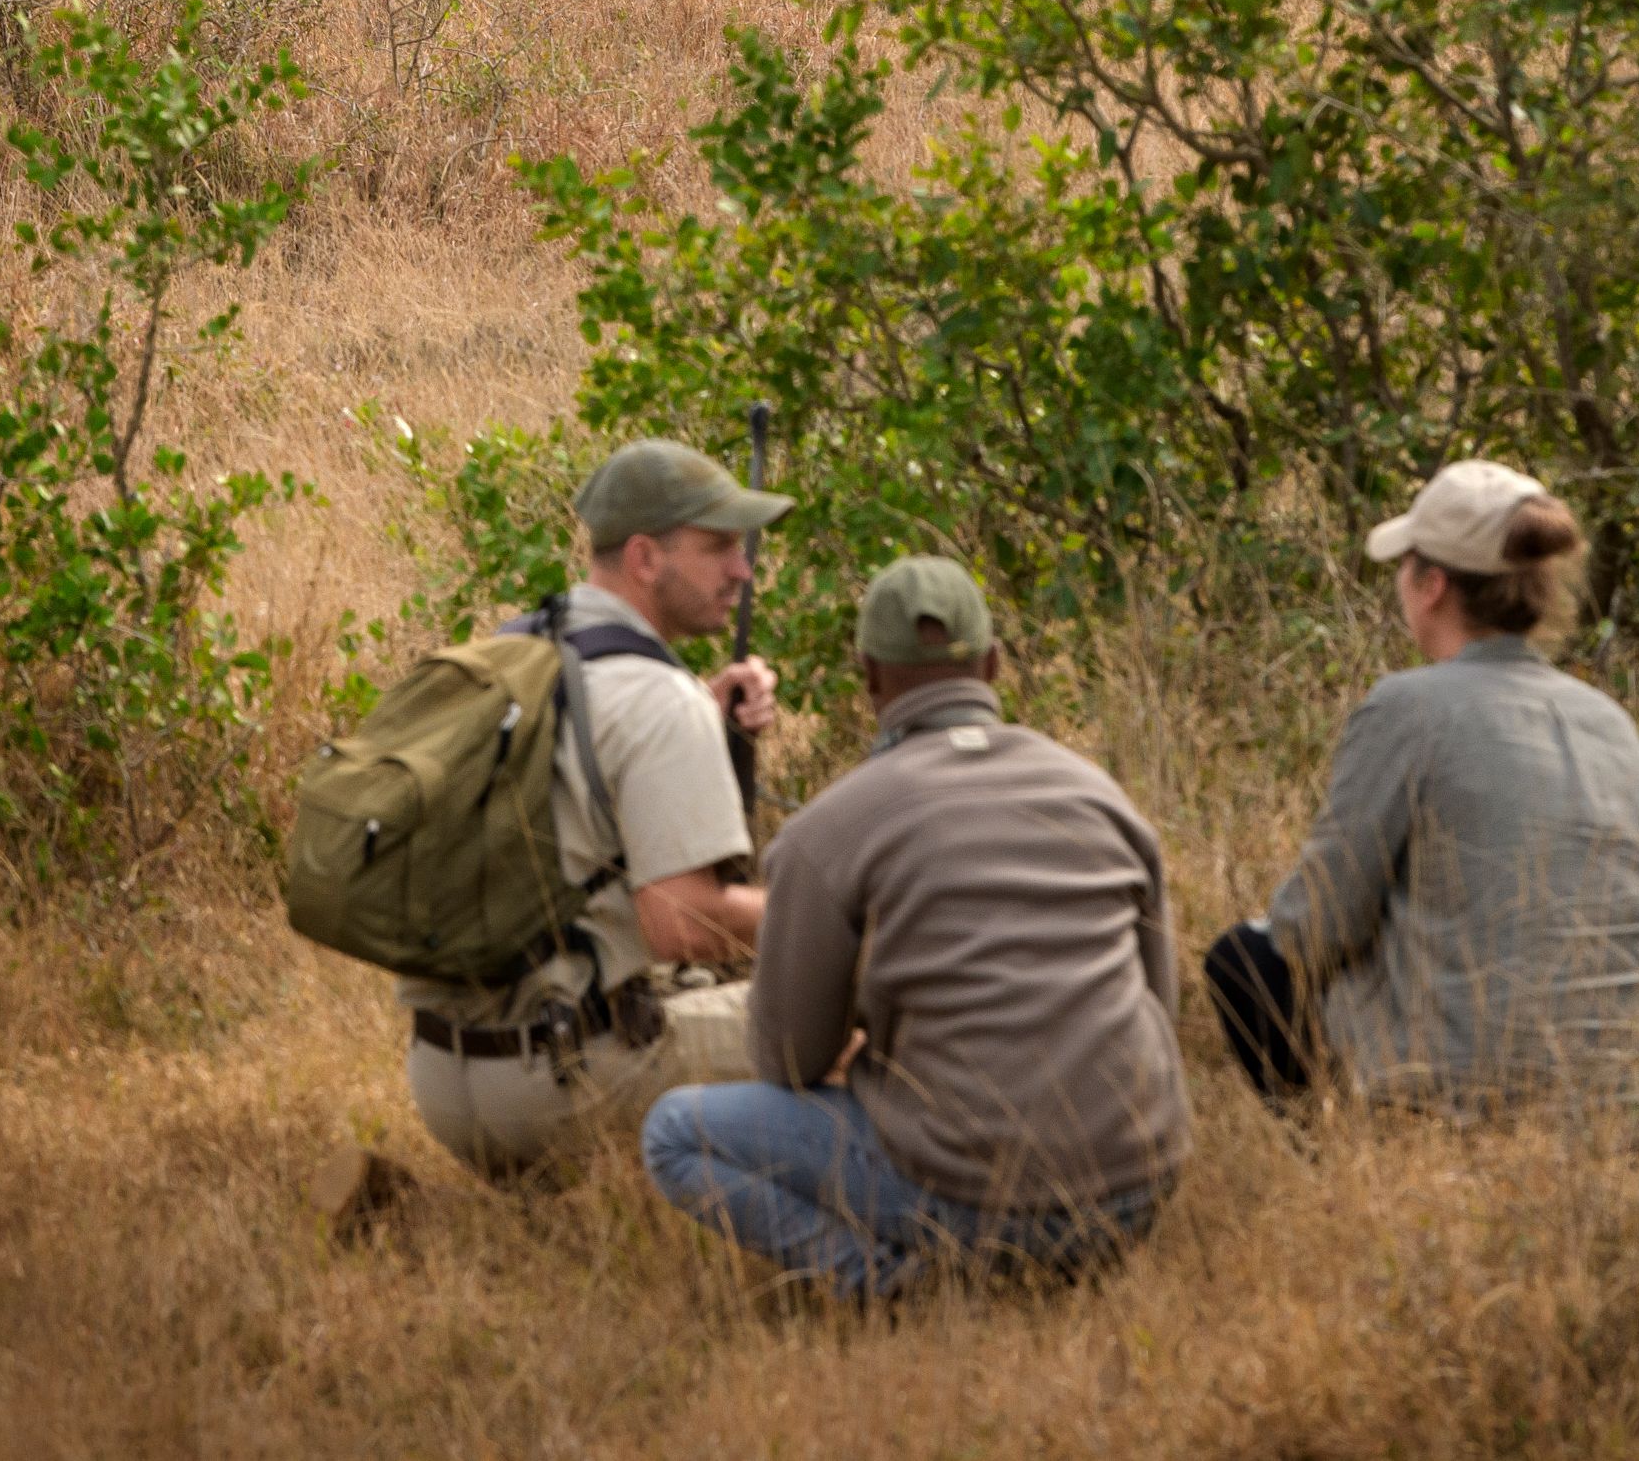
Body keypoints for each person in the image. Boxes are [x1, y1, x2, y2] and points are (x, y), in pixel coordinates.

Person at [643, 556, 1189, 1300]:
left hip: (976, 1201)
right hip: (1138, 1190)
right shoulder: (1101, 795)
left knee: (674, 1132)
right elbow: (1162, 1011)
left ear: (868, 677)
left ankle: (893, 1284)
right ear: (994, 664)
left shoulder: (825, 833)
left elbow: (788, 1062)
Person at [1200, 461, 1639, 1114]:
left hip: (1472, 1092)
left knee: (1243, 958)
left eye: (1404, 568)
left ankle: (1336, 1163)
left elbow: (1316, 924)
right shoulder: (1608, 718)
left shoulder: (1409, 707)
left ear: (1431, 585)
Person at [396, 437, 790, 1182]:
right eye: (719, 549)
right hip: (571, 1083)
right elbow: (681, 924)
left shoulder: (513, 653)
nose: (743, 570)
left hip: (444, 1080)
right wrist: (826, 919)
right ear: (645, 557)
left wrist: (705, 718)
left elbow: (575, 790)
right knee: (848, 1015)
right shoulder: (658, 702)